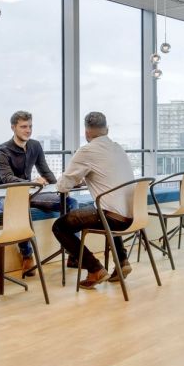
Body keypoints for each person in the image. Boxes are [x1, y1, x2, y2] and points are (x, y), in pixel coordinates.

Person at [54, 112, 136, 289]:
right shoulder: (118, 148)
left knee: (60, 226)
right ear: (107, 129)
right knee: (105, 207)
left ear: (86, 132)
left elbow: (63, 186)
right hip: (132, 216)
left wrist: (75, 179)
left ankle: (94, 269)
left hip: (112, 218)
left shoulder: (87, 151)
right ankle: (122, 261)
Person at [0, 110, 77, 276]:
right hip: (5, 197)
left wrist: (60, 189)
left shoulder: (35, 146)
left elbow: (45, 171)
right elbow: (7, 178)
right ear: (13, 128)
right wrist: (32, 183)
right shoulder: (2, 150)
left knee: (71, 203)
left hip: (30, 193)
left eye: (30, 126)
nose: (28, 130)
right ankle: (27, 255)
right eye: (23, 127)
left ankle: (73, 251)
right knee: (21, 207)